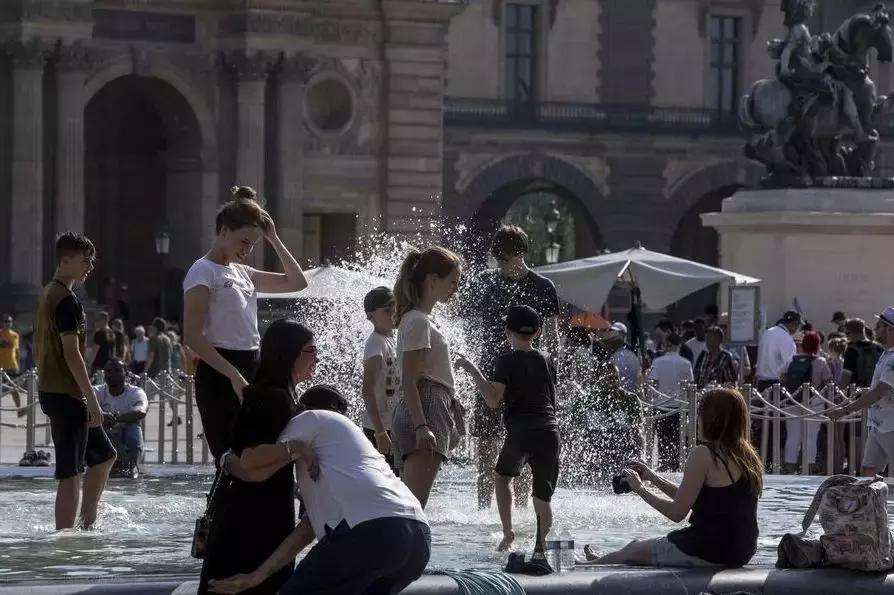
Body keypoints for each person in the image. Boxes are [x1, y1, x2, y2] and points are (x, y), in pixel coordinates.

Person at [209, 385, 430, 595]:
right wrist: (258, 575)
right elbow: (308, 529)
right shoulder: (351, 449)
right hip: (417, 539)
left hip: (371, 532)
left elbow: (253, 469)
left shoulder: (308, 418)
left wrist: (225, 457)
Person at [183, 185, 307, 461]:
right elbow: (192, 337)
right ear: (224, 231)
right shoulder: (202, 271)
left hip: (252, 364)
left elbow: (298, 282)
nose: (248, 250)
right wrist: (233, 376)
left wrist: (273, 237)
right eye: (243, 242)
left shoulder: (245, 273)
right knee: (231, 456)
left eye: (252, 244)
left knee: (259, 452)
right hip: (219, 370)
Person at [579, 387, 761, 569]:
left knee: (633, 549)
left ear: (713, 419)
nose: (696, 421)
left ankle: (585, 567)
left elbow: (676, 513)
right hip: (740, 551)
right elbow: (694, 499)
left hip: (708, 549)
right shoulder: (747, 456)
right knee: (635, 552)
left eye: (700, 413)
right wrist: (652, 477)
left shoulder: (704, 454)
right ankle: (603, 560)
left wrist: (639, 489)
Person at [198, 319, 317, 595]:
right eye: (311, 351)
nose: (317, 359)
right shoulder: (272, 398)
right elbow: (250, 458)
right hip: (251, 520)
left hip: (261, 511)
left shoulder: (280, 394)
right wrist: (297, 447)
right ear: (289, 353)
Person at [466, 225, 560, 510]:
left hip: (529, 379)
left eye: (507, 259)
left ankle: (519, 512)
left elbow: (554, 338)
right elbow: (467, 325)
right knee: (486, 446)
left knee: (524, 446)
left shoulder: (543, 286)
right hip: (489, 373)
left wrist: (553, 378)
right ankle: (483, 509)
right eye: (499, 260)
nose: (503, 266)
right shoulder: (485, 282)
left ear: (522, 253)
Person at [456, 305, 560, 552]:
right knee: (542, 496)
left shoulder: (505, 361)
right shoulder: (547, 359)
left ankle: (508, 532)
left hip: (521, 432)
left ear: (507, 331)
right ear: (538, 332)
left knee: (502, 478)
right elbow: (552, 400)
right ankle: (542, 546)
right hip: (549, 431)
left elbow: (493, 400)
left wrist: (473, 371)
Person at [34, 232, 116, 529]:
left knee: (105, 456)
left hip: (53, 390)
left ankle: (87, 523)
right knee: (70, 472)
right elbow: (72, 355)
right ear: (65, 260)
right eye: (85, 261)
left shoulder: (46, 293)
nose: (90, 267)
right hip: (66, 393)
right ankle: (65, 540)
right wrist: (93, 400)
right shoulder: (67, 301)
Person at [391, 246, 464, 509]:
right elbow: (410, 380)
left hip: (424, 405)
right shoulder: (419, 322)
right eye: (452, 281)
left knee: (410, 505)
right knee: (413, 507)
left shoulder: (415, 319)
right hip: (426, 405)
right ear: (432, 280)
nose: (455, 288)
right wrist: (422, 426)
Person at [830, 307, 894, 475]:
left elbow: (880, 392)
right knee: (868, 471)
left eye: (879, 326)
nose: (874, 329)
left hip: (891, 425)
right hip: (878, 424)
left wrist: (844, 409)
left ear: (890, 329)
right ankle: (873, 502)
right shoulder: (885, 352)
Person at [360, 287, 400, 474]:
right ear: (370, 317)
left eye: (396, 308)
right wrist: (380, 432)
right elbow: (367, 390)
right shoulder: (376, 343)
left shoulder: (393, 339)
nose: (394, 313)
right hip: (379, 429)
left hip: (394, 425)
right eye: (387, 310)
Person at [781, 331, 832, 474]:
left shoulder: (791, 360)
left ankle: (789, 469)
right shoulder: (820, 362)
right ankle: (808, 469)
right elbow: (829, 382)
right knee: (810, 436)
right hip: (814, 402)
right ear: (817, 345)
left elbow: (782, 378)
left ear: (802, 345)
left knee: (792, 436)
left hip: (791, 401)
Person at [647, 333, 693, 471]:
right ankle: (677, 465)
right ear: (679, 346)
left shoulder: (657, 362)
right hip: (680, 406)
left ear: (666, 345)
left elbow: (652, 383)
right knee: (678, 439)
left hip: (661, 405)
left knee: (662, 440)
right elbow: (690, 385)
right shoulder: (686, 363)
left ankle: (664, 464)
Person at [97, 358, 148, 478]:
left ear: (126, 373)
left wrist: (117, 418)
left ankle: (132, 467)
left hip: (127, 439)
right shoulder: (97, 391)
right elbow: (84, 409)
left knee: (133, 428)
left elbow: (141, 410)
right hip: (104, 438)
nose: (112, 374)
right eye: (109, 371)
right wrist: (102, 416)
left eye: (117, 370)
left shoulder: (136, 392)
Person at [755, 310, 801, 392]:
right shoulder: (787, 338)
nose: (797, 330)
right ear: (794, 324)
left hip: (760, 383)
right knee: (775, 405)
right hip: (776, 385)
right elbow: (789, 364)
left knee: (763, 404)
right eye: (797, 326)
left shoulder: (766, 333)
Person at [841, 318, 883, 388]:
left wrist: (839, 392)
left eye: (847, 333)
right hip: (876, 391)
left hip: (856, 393)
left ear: (851, 332)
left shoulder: (851, 350)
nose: (846, 337)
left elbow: (846, 376)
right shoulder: (878, 348)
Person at [603, 322, 642, 392]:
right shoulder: (632, 355)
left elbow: (638, 379)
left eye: (615, 333)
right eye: (611, 332)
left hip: (623, 396)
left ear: (623, 336)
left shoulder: (617, 356)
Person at [0, 313, 22, 414]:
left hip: (12, 366)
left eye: (10, 321)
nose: (8, 323)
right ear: (2, 323)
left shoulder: (15, 335)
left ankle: (19, 409)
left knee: (14, 389)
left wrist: (18, 364)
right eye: (6, 321)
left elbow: (16, 351)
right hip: (1, 367)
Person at [87, 311, 115, 377]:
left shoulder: (99, 334)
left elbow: (94, 351)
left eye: (98, 319)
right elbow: (113, 351)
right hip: (108, 366)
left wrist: (88, 365)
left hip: (98, 366)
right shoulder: (112, 333)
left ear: (104, 320)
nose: (96, 322)